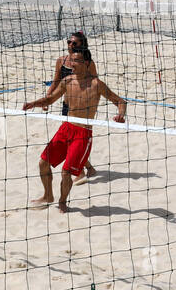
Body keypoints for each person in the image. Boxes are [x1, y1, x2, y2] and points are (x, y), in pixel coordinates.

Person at [22, 54, 126, 213]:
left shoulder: (96, 84)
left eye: (76, 60)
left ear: (86, 63)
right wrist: (33, 104)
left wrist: (121, 115)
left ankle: (62, 202)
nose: (71, 63)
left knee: (66, 172)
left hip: (83, 132)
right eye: (71, 60)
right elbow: (49, 100)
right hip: (66, 128)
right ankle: (48, 195)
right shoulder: (67, 81)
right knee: (43, 163)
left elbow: (120, 101)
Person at [49, 31, 99, 179]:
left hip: (83, 107)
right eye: (69, 42)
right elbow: (56, 81)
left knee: (77, 138)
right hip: (67, 105)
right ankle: (89, 168)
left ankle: (82, 171)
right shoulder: (61, 61)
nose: (70, 45)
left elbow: (95, 84)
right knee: (71, 137)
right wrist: (47, 98)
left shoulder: (88, 64)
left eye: (74, 43)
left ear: (82, 45)